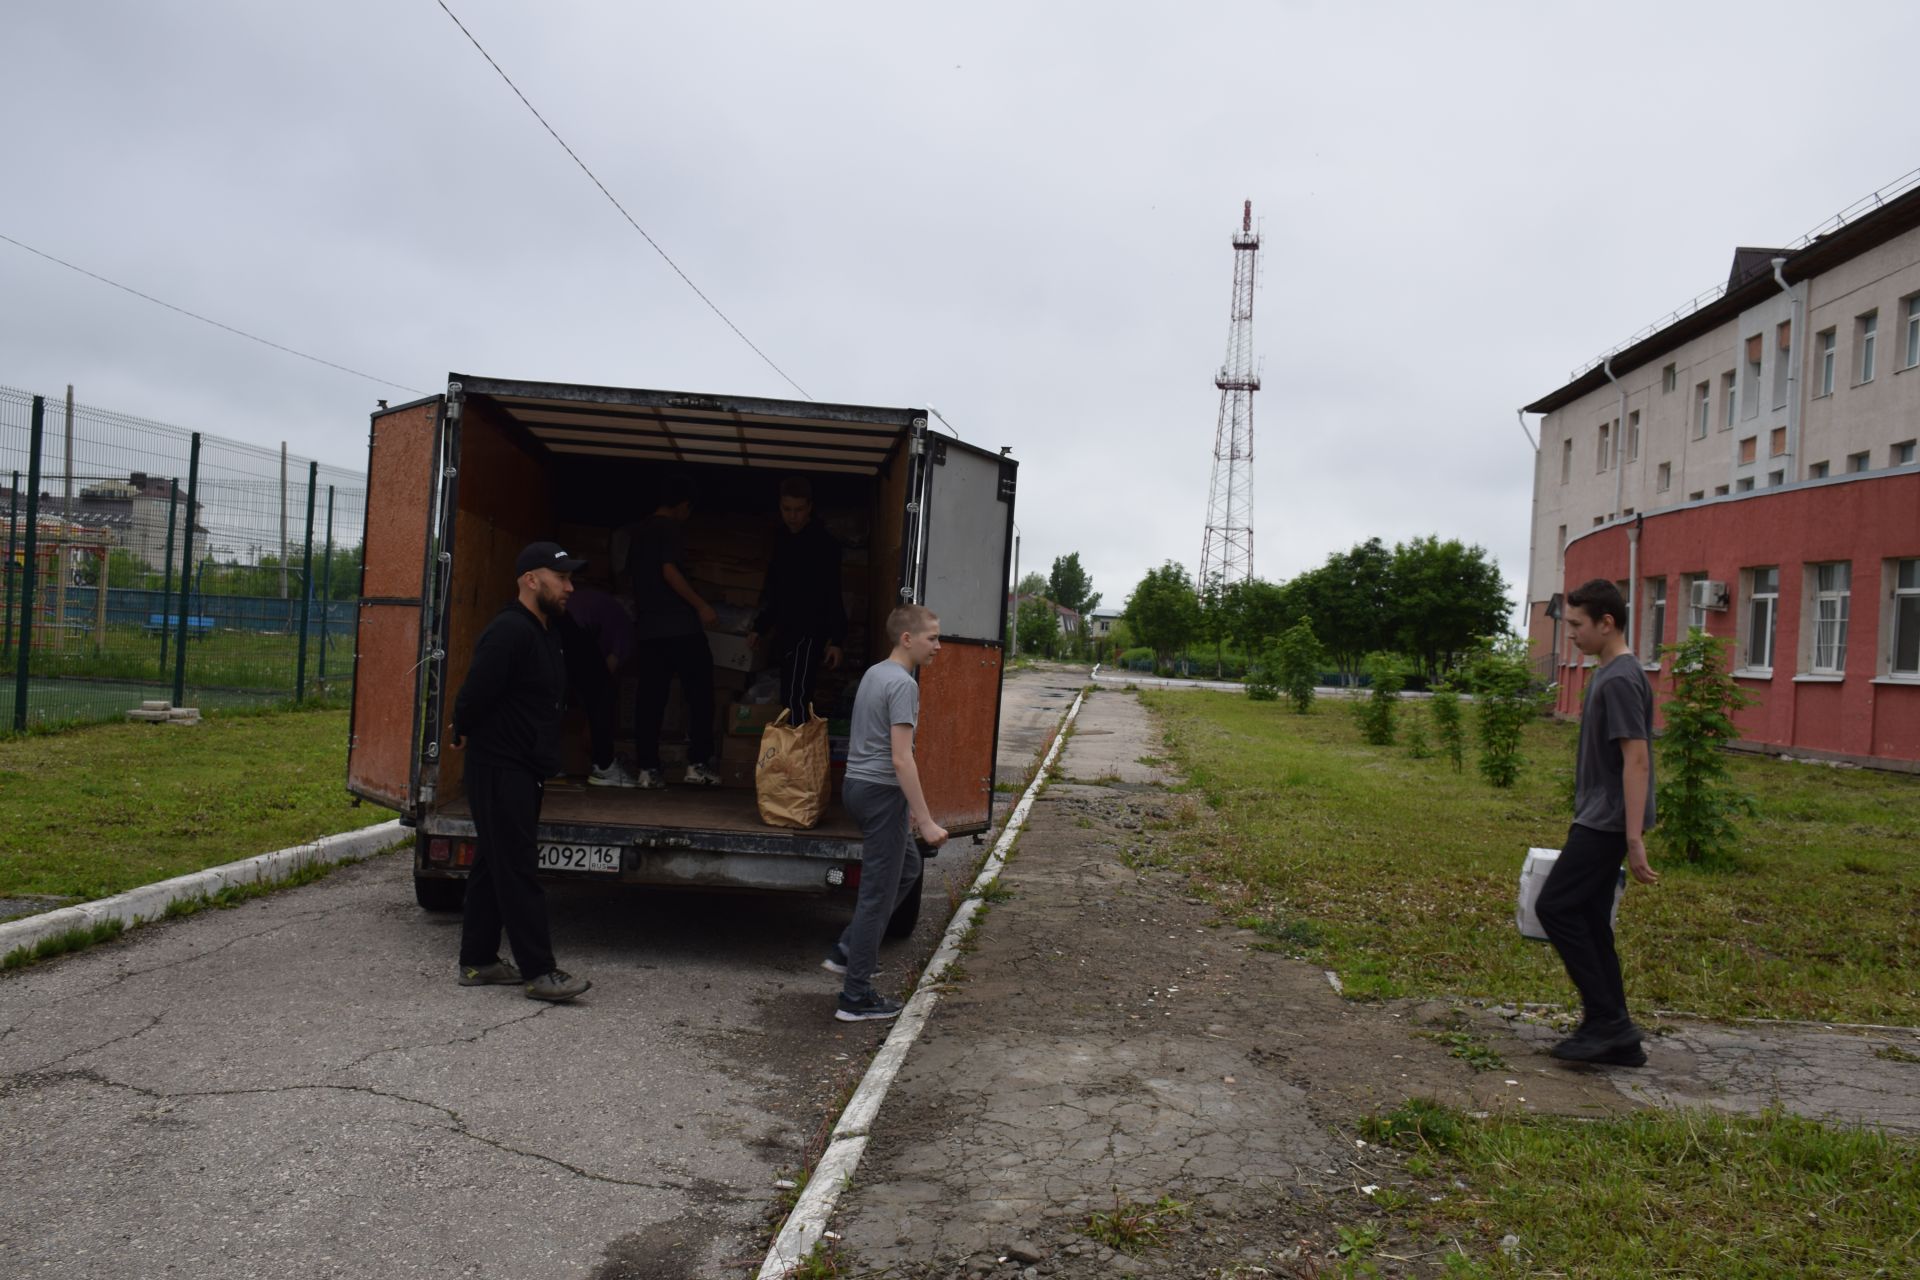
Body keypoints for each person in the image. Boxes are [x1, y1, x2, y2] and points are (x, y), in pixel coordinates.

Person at [450, 541, 593, 1003]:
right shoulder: (509, 631)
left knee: (493, 863)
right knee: (516, 868)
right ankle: (540, 972)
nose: (570, 587)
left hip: (524, 765)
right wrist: (461, 728)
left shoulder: (545, 629)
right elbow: (475, 691)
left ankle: (478, 961)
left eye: (571, 579)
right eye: (561, 578)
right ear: (531, 580)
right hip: (499, 766)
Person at [1538, 578, 1659, 1065]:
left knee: (1555, 907)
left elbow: (1637, 760)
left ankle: (1608, 1021)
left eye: (1577, 624)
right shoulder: (1608, 673)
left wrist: (1633, 838)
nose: (1570, 633)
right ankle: (1620, 1040)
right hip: (1599, 815)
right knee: (1590, 919)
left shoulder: (1622, 679)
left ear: (1606, 623)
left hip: (1607, 822)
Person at [823, 603, 949, 1021]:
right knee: (876, 895)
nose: (938, 646)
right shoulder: (903, 685)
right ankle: (855, 998)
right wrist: (925, 819)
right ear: (907, 639)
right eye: (932, 638)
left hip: (857, 788)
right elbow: (901, 758)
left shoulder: (875, 673)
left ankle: (849, 948)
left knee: (907, 868)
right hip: (881, 794)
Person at [629, 471, 721, 789]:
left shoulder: (639, 531)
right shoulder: (669, 529)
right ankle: (697, 763)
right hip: (680, 626)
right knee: (700, 695)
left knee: (650, 700)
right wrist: (701, 605)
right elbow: (669, 570)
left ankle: (647, 769)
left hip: (648, 629)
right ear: (683, 505)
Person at [748, 476, 848, 725]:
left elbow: (833, 592)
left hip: (810, 630)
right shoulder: (780, 539)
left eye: (799, 510)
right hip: (785, 629)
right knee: (789, 696)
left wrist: (837, 639)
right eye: (787, 509)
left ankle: (798, 746)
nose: (792, 516)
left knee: (797, 697)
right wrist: (760, 626)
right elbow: (776, 591)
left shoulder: (824, 544)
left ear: (809, 507)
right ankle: (794, 745)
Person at [559, 570, 636, 787]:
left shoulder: (599, 605)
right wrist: (591, 722)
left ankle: (547, 763)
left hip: (556, 626)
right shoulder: (625, 628)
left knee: (555, 695)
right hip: (573, 628)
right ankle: (604, 767)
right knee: (604, 695)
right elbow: (603, 678)